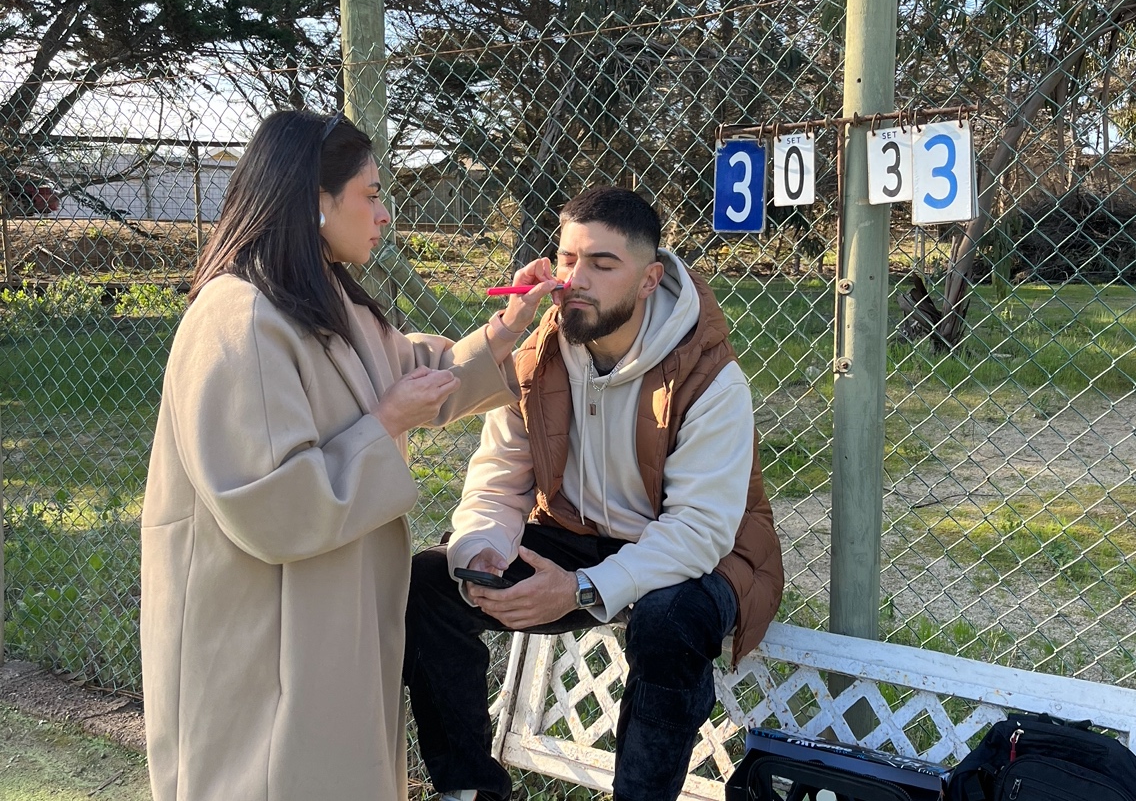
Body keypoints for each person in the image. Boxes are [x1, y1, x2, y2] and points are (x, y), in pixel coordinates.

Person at [139, 110, 558, 801]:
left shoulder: (326, 300)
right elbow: (272, 506)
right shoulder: (239, 319)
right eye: (370, 194)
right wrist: (384, 422)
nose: (385, 213)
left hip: (322, 618)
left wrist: (507, 328)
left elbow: (419, 374)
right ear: (316, 200)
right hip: (264, 636)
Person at [404, 186, 785, 801]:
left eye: (602, 264)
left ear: (648, 279)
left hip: (695, 558)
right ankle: (470, 790)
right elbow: (499, 478)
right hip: (577, 536)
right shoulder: (538, 357)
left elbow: (700, 531)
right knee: (430, 580)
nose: (575, 280)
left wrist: (581, 588)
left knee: (668, 620)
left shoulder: (710, 378)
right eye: (567, 259)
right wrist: (481, 549)